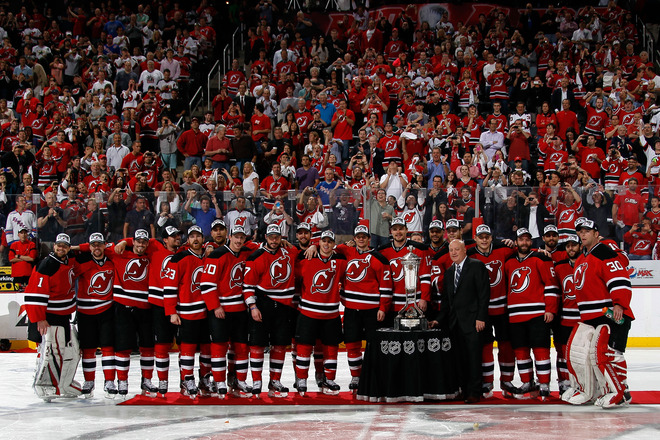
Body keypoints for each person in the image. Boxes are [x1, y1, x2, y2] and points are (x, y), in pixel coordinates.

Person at [570, 219, 634, 408]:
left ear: (596, 234)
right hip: (593, 315)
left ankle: (621, 393)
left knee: (609, 354)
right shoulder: (582, 257)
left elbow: (619, 279)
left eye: (587, 231)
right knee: (589, 356)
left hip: (610, 313)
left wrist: (620, 304)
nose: (583, 234)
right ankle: (606, 390)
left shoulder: (604, 251)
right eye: (580, 231)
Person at [200, 225, 259, 398]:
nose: (239, 240)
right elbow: (206, 284)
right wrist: (215, 306)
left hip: (240, 309)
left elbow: (265, 247)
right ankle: (219, 381)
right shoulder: (217, 255)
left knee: (241, 346)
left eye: (242, 237)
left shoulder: (246, 252)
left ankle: (239, 379)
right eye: (236, 237)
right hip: (221, 310)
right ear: (230, 236)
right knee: (219, 346)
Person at [334, 224, 392, 391]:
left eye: (363, 236)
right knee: (352, 343)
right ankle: (356, 377)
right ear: (354, 238)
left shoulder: (379, 259)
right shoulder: (348, 252)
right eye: (358, 236)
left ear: (368, 239)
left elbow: (386, 286)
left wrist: (383, 307)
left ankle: (374, 376)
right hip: (351, 309)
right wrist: (347, 245)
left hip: (373, 310)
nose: (360, 239)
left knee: (374, 345)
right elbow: (336, 247)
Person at [243, 224, 299, 397]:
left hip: (284, 308)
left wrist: (313, 245)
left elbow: (306, 250)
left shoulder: (290, 252)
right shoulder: (256, 256)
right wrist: (253, 307)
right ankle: (257, 381)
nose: (274, 240)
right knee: (257, 345)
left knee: (280, 345)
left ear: (281, 237)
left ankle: (275, 379)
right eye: (271, 237)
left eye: (277, 237)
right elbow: (247, 286)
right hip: (263, 305)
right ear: (265, 237)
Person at [431, 238, 489, 404]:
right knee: (460, 359)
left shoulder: (477, 266)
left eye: (457, 249)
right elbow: (447, 301)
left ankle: (474, 392)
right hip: (455, 324)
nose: (454, 252)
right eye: (451, 250)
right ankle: (463, 390)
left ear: (465, 250)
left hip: (472, 322)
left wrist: (480, 317)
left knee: (473, 358)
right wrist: (438, 321)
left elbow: (484, 295)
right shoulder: (449, 272)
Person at [504, 228, 560, 399]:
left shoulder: (540, 258)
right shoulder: (508, 262)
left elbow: (551, 285)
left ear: (532, 241)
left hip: (537, 314)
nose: (525, 243)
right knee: (520, 352)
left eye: (528, 240)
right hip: (515, 315)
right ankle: (527, 382)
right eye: (521, 240)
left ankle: (543, 384)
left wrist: (550, 309)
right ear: (516, 242)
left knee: (540, 350)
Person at [24, 233, 80, 400]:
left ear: (69, 248)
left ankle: (64, 382)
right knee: (51, 352)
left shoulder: (68, 261)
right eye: (58, 245)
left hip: (63, 315)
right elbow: (34, 293)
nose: (61, 248)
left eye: (64, 245)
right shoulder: (47, 265)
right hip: (49, 317)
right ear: (54, 246)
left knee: (69, 350)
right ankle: (46, 385)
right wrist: (39, 318)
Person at [467, 224, 518, 398]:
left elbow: (524, 248)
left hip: (503, 308)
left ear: (491, 237)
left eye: (487, 236)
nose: (484, 239)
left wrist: (541, 251)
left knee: (506, 346)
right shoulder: (470, 254)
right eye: (480, 236)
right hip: (483, 311)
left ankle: (507, 381)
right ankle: (487, 382)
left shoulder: (503, 250)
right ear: (475, 238)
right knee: (486, 346)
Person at [293, 230, 347, 396]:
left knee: (331, 348)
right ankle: (301, 379)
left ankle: (329, 379)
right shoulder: (306, 259)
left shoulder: (340, 261)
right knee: (304, 347)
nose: (326, 244)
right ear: (319, 242)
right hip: (308, 312)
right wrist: (312, 246)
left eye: (330, 241)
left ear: (333, 244)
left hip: (331, 313)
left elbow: (350, 251)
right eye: (323, 241)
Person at [163, 225, 213, 399]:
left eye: (198, 236)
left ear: (203, 239)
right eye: (192, 236)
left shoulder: (209, 258)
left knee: (207, 348)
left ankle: (205, 378)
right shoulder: (178, 259)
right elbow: (169, 288)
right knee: (187, 348)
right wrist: (171, 311)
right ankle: (187, 378)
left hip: (207, 312)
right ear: (188, 240)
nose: (195, 239)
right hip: (187, 311)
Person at [72, 233, 117, 398]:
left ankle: (109, 381)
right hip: (85, 312)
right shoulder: (81, 262)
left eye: (100, 244)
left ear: (104, 245)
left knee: (108, 348)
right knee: (88, 349)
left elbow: (115, 247)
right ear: (89, 246)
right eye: (93, 245)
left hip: (106, 310)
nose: (96, 248)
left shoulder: (112, 260)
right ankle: (89, 381)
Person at [553, 233, 582, 397]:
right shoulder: (559, 266)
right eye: (568, 245)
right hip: (564, 320)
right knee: (562, 355)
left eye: (574, 245)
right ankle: (564, 384)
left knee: (582, 356)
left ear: (579, 246)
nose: (571, 248)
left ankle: (581, 384)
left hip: (583, 320)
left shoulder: (586, 263)